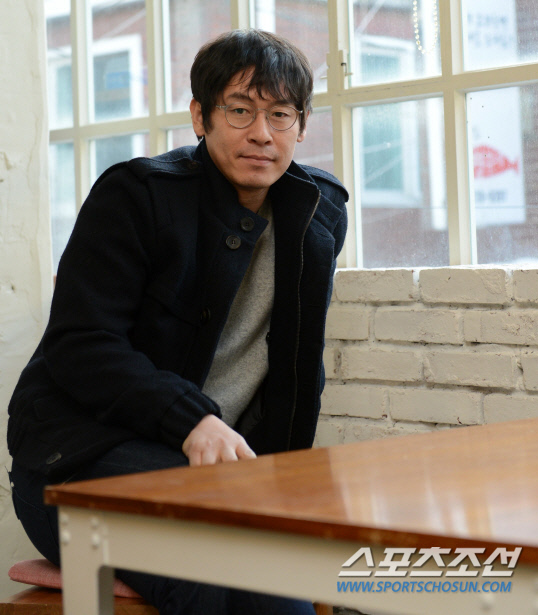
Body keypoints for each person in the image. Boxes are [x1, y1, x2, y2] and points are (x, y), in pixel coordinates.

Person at [7, 28, 347, 615]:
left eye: (280, 114)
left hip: (212, 476)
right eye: (239, 111)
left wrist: (285, 492)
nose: (261, 133)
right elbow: (81, 344)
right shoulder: (137, 195)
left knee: (281, 571)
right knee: (205, 566)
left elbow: (296, 374)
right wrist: (192, 421)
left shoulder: (318, 213)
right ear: (199, 117)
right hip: (75, 465)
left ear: (302, 125)